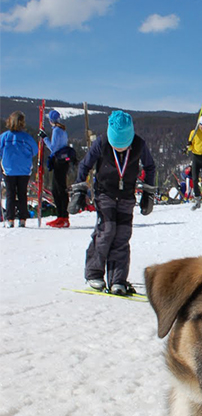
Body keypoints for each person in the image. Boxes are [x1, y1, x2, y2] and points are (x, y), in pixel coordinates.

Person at [68, 111, 156, 295]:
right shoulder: (101, 143)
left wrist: (148, 193)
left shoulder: (139, 144)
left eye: (124, 146)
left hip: (126, 196)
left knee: (122, 235)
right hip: (105, 194)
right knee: (106, 231)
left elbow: (150, 166)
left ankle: (118, 279)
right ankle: (94, 273)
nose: (120, 149)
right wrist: (79, 190)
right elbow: (85, 165)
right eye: (117, 145)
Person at [0, 111, 38, 228]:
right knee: (22, 193)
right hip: (24, 169)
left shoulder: (5, 137)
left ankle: (10, 218)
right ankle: (22, 218)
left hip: (9, 169)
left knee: (10, 194)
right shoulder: (26, 137)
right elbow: (35, 150)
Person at [39, 110, 71, 227]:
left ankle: (62, 216)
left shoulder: (57, 131)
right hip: (63, 161)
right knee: (59, 189)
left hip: (59, 162)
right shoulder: (62, 130)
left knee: (58, 190)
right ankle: (62, 216)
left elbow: (53, 148)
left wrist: (44, 138)